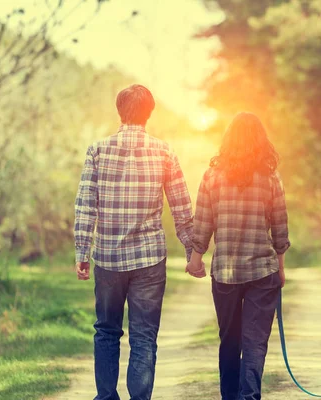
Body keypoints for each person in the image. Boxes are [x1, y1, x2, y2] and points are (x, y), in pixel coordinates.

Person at [74, 84, 197, 400]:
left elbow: (86, 203)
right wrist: (191, 250)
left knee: (106, 330)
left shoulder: (97, 151)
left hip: (109, 258)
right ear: (149, 113)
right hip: (148, 260)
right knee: (143, 336)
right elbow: (181, 206)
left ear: (119, 111)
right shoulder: (164, 152)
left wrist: (82, 250)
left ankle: (105, 397)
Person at [186, 112, 290, 400]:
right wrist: (281, 269)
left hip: (226, 273)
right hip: (262, 272)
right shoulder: (270, 178)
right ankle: (249, 396)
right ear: (261, 141)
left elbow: (203, 222)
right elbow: (280, 228)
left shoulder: (212, 177)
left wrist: (196, 257)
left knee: (229, 340)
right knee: (255, 342)